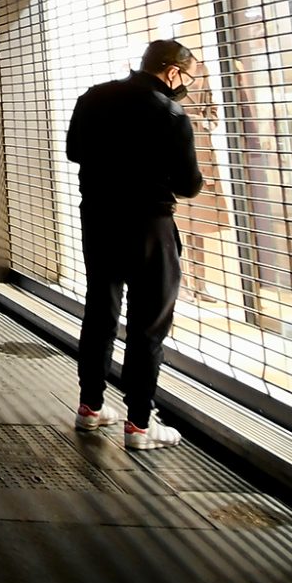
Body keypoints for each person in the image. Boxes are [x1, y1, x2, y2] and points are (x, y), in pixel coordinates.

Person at [66, 39, 203, 450]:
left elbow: (74, 151)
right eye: (187, 77)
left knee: (100, 311)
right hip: (149, 225)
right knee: (148, 324)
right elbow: (189, 184)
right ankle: (140, 425)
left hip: (99, 218)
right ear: (172, 71)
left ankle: (90, 407)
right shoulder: (170, 113)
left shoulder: (93, 97)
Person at [178, 62, 229, 303]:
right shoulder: (165, 74)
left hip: (200, 151)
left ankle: (200, 283)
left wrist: (207, 122)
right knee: (177, 225)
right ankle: (181, 283)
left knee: (198, 226)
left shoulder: (200, 70)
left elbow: (212, 108)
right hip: (177, 148)